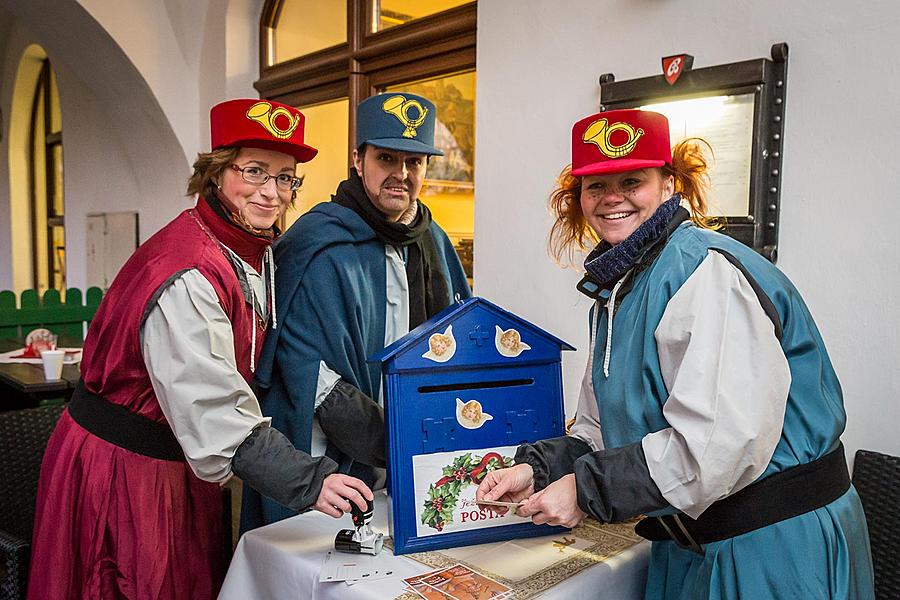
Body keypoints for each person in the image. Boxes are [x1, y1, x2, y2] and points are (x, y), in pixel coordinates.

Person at [477, 109, 874, 598]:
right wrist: (539, 470)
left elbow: (716, 447)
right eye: (595, 186)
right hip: (695, 543)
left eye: (632, 180)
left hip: (770, 546)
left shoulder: (704, 273)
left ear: (668, 184)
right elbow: (602, 428)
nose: (612, 198)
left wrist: (586, 490)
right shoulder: (617, 289)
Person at [28, 99, 373, 600]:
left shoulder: (249, 249)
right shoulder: (186, 270)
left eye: (285, 178)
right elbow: (213, 408)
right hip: (125, 470)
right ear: (216, 171)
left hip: (179, 466)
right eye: (254, 171)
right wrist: (311, 479)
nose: (271, 192)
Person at [242, 92, 471, 530]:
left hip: (416, 449)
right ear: (358, 158)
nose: (401, 174)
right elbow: (294, 356)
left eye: (414, 162)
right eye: (386, 158)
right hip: (330, 455)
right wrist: (377, 433)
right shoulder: (315, 239)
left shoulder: (433, 241)